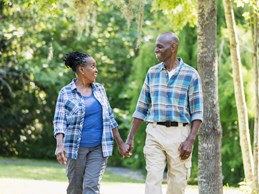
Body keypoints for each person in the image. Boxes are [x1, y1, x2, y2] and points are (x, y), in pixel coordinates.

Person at [126, 32, 203, 194]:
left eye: (160, 46)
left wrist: (190, 139)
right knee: (153, 178)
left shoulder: (191, 75)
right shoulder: (152, 73)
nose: (156, 49)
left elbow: (197, 111)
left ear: (173, 47)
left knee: (177, 182)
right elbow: (141, 107)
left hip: (180, 135)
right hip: (155, 131)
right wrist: (130, 137)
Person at [53, 51, 129, 194]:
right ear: (82, 69)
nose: (96, 70)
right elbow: (59, 121)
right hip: (76, 149)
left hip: (99, 148)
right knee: (76, 189)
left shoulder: (100, 89)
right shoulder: (66, 92)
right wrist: (59, 145)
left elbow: (110, 118)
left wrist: (121, 143)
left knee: (91, 186)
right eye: (93, 66)